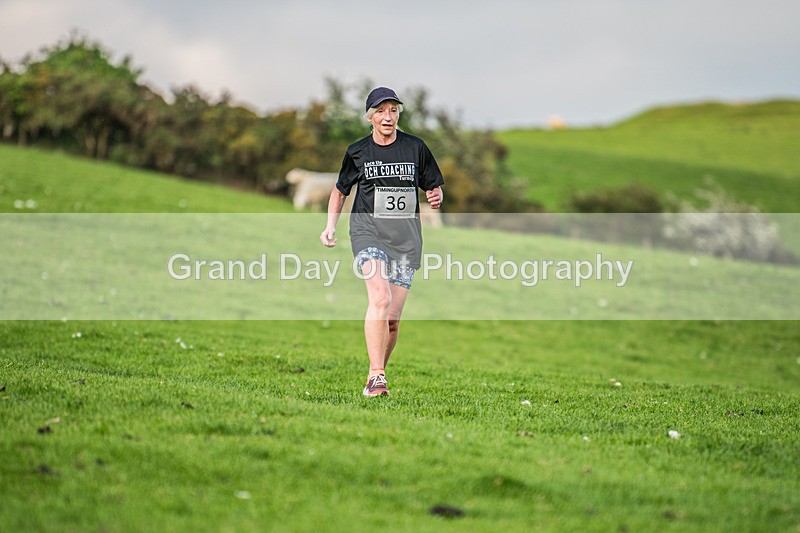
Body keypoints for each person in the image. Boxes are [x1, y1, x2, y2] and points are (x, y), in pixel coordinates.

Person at [320, 86, 444, 397]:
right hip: (367, 233)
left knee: (392, 321)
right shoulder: (358, 151)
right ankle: (377, 376)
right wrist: (329, 227)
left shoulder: (415, 148)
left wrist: (435, 193)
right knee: (379, 297)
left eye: (393, 110)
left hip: (405, 242)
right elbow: (340, 191)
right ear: (370, 117)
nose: (387, 117)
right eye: (381, 111)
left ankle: (377, 373)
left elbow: (433, 186)